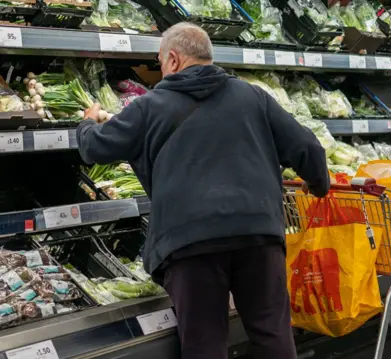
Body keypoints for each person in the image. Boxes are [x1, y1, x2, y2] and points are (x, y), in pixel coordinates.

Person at [76, 22, 330, 358]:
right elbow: (307, 147)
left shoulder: (150, 106)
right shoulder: (253, 96)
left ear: (175, 60)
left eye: (161, 62)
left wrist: (87, 121)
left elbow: (96, 149)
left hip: (191, 242)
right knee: (272, 333)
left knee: (204, 344)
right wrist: (318, 184)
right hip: (258, 233)